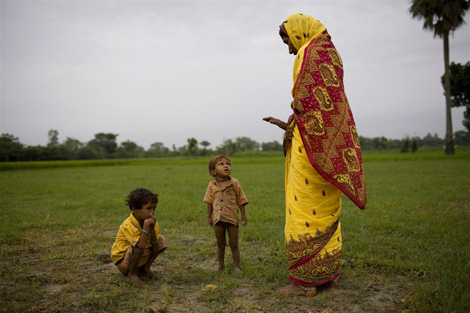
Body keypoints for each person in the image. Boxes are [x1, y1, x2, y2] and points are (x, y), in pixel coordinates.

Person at [263, 13, 367, 297]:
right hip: (325, 151)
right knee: (326, 209)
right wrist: (288, 122)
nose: (289, 49)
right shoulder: (329, 52)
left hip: (308, 151)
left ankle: (304, 283)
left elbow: (306, 105)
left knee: (303, 210)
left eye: (288, 41)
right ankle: (327, 275)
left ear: (298, 32)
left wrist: (294, 119)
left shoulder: (308, 53)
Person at [111, 188, 167, 287]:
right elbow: (140, 246)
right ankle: (131, 275)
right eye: (148, 208)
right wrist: (146, 226)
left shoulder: (151, 222)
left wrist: (152, 229)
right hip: (124, 263)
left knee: (160, 240)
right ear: (135, 209)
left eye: (154, 208)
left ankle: (145, 269)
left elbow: (155, 247)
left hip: (139, 258)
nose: (152, 212)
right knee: (138, 246)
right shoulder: (129, 224)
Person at [203, 155, 248, 274]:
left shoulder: (234, 183)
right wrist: (209, 216)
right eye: (221, 164)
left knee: (234, 243)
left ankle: (237, 266)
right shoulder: (212, 185)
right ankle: (220, 265)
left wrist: (243, 215)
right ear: (213, 171)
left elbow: (241, 200)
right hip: (218, 218)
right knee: (220, 244)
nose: (226, 166)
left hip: (232, 218)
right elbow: (209, 201)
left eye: (228, 163)